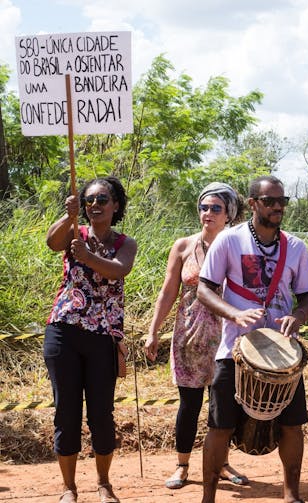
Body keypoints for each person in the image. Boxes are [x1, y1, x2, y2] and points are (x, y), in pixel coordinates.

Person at [197, 175, 308, 503]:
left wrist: (300, 316)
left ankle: (291, 494)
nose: (278, 207)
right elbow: (204, 288)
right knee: (219, 427)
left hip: (282, 351)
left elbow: (307, 296)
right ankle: (208, 497)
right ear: (253, 204)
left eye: (283, 201)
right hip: (235, 350)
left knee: (292, 426)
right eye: (270, 201)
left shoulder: (295, 247)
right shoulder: (229, 241)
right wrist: (234, 314)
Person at [144, 182, 249, 489]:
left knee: (224, 404)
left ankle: (223, 463)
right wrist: (153, 331)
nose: (208, 213)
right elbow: (168, 292)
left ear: (228, 213)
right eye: (204, 207)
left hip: (227, 336)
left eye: (216, 208)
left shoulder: (239, 247)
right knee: (189, 403)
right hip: (188, 333)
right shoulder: (183, 246)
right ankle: (182, 465)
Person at [44, 176, 137, 503]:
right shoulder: (74, 232)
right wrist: (67, 216)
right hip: (64, 330)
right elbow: (52, 243)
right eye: (89, 200)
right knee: (66, 412)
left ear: (115, 205)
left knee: (101, 413)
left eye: (102, 199)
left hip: (103, 336)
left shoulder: (126, 243)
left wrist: (86, 256)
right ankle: (69, 488)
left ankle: (103, 484)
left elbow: (117, 270)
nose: (94, 205)